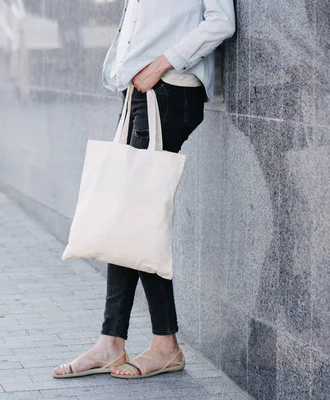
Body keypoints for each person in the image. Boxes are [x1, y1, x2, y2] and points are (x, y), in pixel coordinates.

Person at [53, 0, 235, 379]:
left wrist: (159, 65)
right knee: (131, 211)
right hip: (140, 91)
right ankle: (113, 342)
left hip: (169, 89)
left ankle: (160, 344)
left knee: (138, 212)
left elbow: (221, 22)